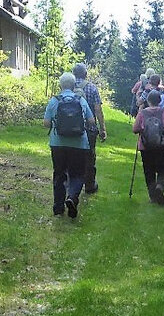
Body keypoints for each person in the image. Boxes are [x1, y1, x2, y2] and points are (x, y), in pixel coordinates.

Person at [44, 72, 96, 218]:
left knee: (59, 174)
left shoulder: (54, 101)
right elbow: (91, 121)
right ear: (74, 85)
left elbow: (46, 123)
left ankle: (58, 207)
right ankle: (72, 197)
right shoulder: (80, 100)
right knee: (77, 174)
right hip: (79, 144)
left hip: (57, 143)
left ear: (60, 85)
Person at [132, 90, 164, 205]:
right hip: (163, 147)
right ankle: (160, 187)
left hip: (145, 147)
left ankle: (153, 196)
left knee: (149, 171)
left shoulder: (142, 113)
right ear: (160, 100)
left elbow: (135, 129)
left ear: (148, 100)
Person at [73, 63, 107, 194]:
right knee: (89, 156)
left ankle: (73, 185)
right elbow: (98, 109)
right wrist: (102, 128)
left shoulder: (68, 86)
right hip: (89, 127)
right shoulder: (92, 88)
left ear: (74, 73)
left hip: (71, 127)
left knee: (74, 155)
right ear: (86, 74)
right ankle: (89, 185)